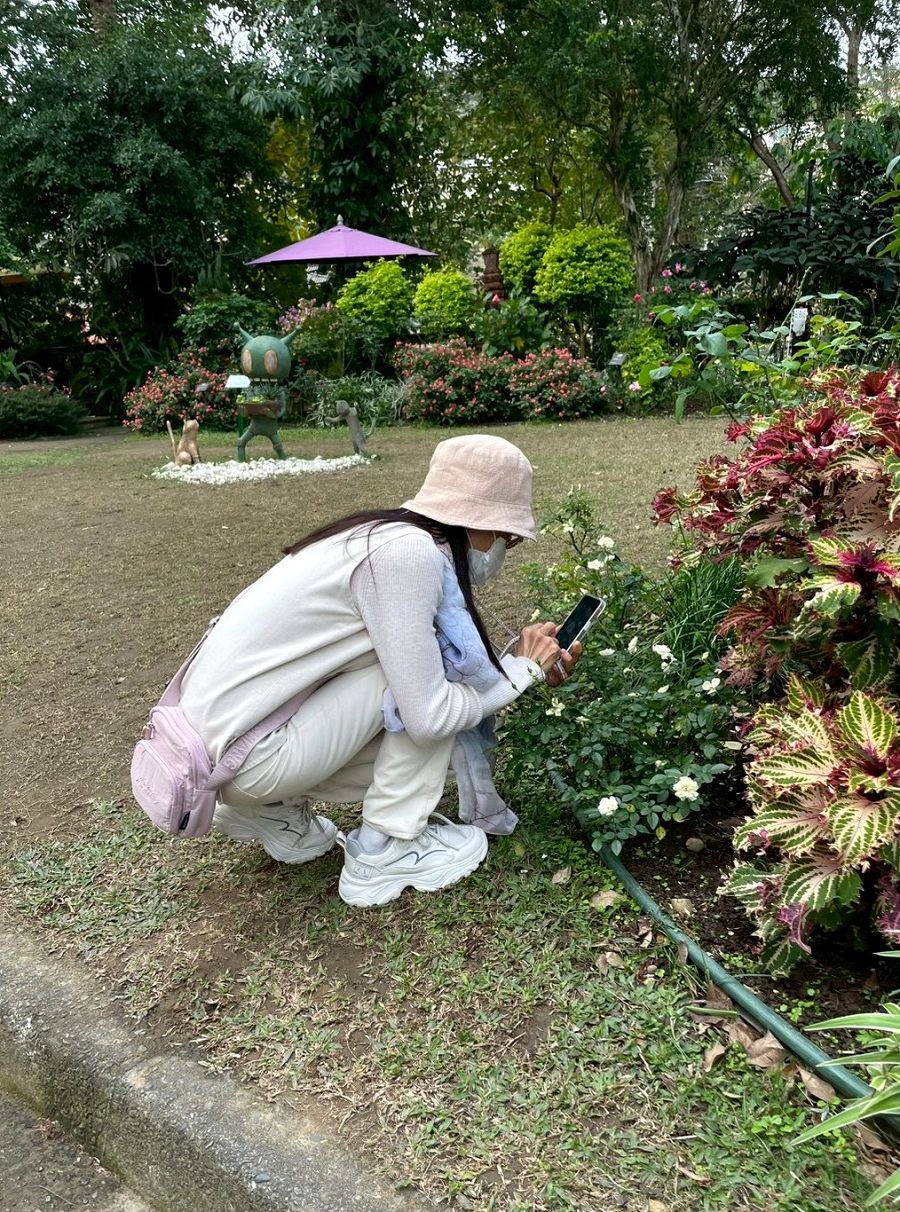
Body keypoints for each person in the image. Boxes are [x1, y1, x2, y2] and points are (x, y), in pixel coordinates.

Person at [179, 434, 580, 907]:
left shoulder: (379, 535)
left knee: (422, 683)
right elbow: (429, 713)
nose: (503, 552)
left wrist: (518, 659)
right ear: (480, 523)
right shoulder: (407, 555)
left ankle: (273, 812)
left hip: (215, 755)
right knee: (434, 697)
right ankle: (386, 848)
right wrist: (523, 671)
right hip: (247, 760)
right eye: (507, 537)